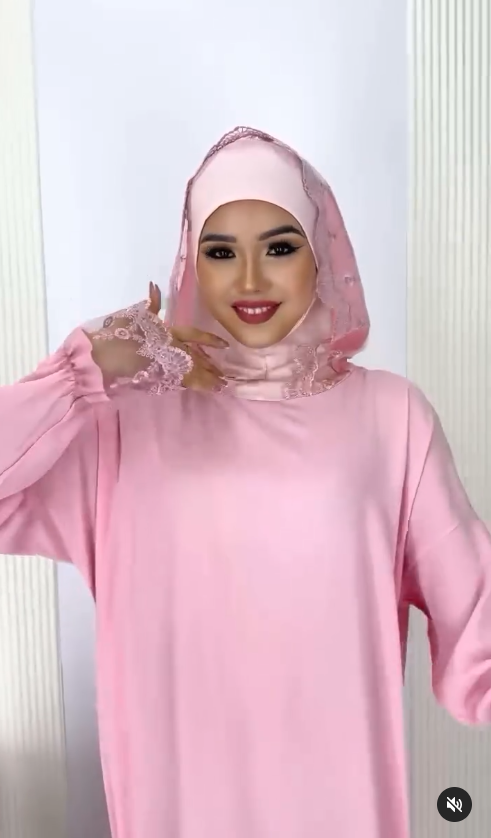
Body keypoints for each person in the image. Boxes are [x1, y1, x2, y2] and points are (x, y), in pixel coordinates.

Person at [0, 126, 490, 838]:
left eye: (280, 248)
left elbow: (475, 609)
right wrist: (84, 369)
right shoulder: (124, 422)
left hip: (338, 808)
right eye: (221, 251)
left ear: (322, 255)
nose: (250, 280)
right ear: (191, 263)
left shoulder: (391, 417)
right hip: (178, 808)